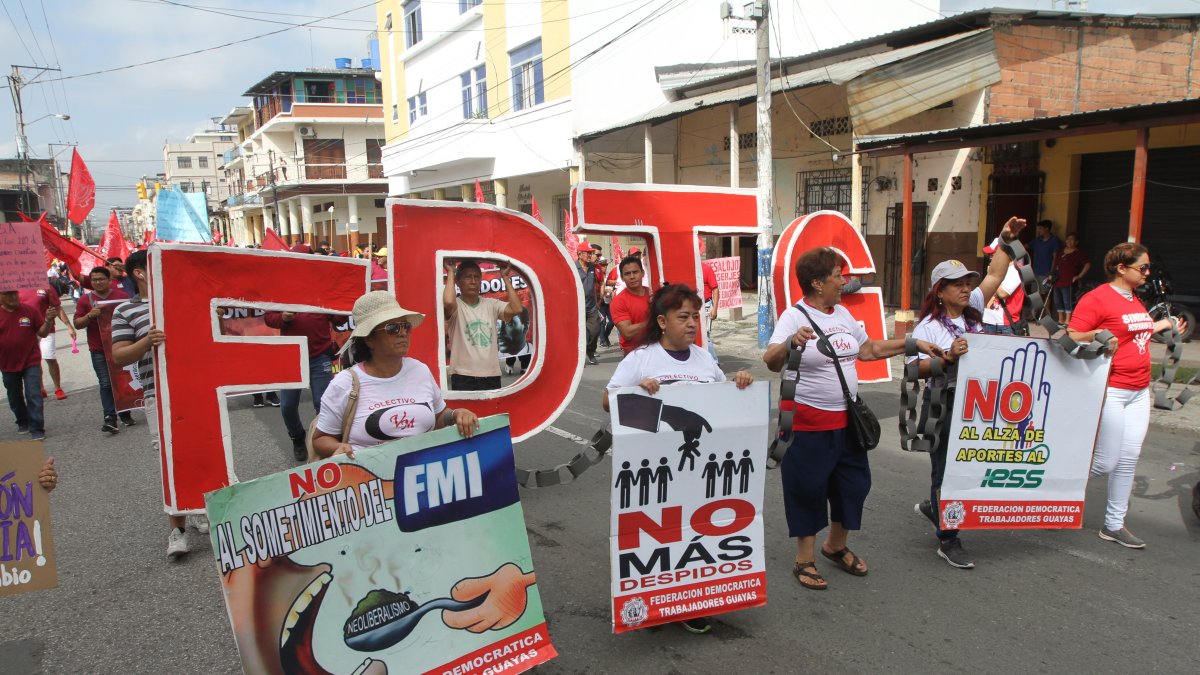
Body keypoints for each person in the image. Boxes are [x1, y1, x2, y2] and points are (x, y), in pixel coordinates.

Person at [764, 248, 941, 590]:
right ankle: (805, 559)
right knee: (807, 488)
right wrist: (789, 343)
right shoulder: (793, 316)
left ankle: (835, 544)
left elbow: (869, 350)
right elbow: (771, 360)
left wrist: (913, 342)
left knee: (854, 485)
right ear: (817, 283)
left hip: (847, 422)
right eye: (837, 275)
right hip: (808, 424)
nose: (843, 281)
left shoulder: (842, 313)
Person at [604, 283, 753, 634]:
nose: (691, 324)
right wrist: (637, 391)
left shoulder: (704, 358)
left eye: (695, 316)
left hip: (699, 472)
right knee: (654, 534)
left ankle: (689, 602)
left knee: (694, 535)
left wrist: (740, 383)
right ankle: (653, 602)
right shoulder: (641, 359)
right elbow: (608, 401)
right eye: (683, 316)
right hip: (654, 473)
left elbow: (722, 402)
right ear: (662, 320)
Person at [908, 217, 1028, 570]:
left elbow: (995, 275)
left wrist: (1005, 240)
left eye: (966, 283)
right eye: (956, 285)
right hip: (943, 404)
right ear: (940, 291)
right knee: (944, 472)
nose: (965, 289)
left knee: (968, 467)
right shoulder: (927, 327)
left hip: (977, 405)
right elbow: (915, 369)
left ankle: (936, 507)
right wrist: (946, 358)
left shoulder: (973, 307)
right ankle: (948, 538)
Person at [1068, 243, 1183, 549]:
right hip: (1113, 390)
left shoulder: (1135, 299)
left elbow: (1135, 332)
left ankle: (1114, 525)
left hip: (1139, 391)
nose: (1148, 273)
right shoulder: (1097, 298)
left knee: (1128, 461)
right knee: (1106, 461)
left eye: (1148, 268)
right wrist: (1099, 336)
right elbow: (1073, 335)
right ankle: (1053, 494)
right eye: (1142, 268)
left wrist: (1164, 324)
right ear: (1121, 268)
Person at [111, 249, 207, 558]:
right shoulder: (126, 310)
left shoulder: (185, 299)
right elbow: (120, 355)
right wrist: (146, 341)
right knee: (170, 460)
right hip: (158, 394)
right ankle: (177, 530)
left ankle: (198, 508)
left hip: (195, 390)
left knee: (200, 452)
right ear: (139, 272)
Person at [312, 291, 478, 458]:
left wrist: (456, 415)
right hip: (371, 481)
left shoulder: (420, 370)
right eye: (392, 328)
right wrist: (337, 448)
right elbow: (320, 439)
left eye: (405, 326)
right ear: (369, 339)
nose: (402, 333)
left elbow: (439, 416)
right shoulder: (344, 384)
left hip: (423, 477)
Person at [263, 309, 341, 460]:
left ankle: (325, 441)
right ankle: (297, 437)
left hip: (320, 355)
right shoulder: (283, 289)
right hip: (292, 356)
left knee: (323, 403)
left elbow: (339, 319)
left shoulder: (322, 289)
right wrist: (283, 317)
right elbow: (268, 318)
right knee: (287, 406)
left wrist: (342, 308)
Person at [442, 260, 523, 391]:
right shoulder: (456, 305)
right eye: (468, 277)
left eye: (476, 277)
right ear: (458, 281)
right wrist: (451, 272)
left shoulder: (491, 304)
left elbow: (516, 308)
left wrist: (505, 277)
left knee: (491, 412)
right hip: (463, 376)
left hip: (491, 376)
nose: (473, 281)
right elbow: (448, 302)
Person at [73, 266, 133, 434]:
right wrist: (90, 316)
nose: (98, 282)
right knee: (106, 383)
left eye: (101, 279)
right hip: (98, 349)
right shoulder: (85, 300)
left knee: (122, 380)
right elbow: (77, 324)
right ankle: (110, 417)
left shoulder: (122, 297)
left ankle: (125, 412)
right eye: (94, 280)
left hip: (120, 345)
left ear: (109, 280)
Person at [1, 289, 56, 440]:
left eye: (14, 293)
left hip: (30, 360)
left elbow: (43, 333)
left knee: (33, 393)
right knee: (14, 395)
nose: (13, 297)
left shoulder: (29, 310)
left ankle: (37, 427)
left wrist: (48, 320)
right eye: (8, 294)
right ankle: (22, 419)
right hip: (7, 363)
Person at [19, 284, 75, 400]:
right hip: (27, 330)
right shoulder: (17, 287)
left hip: (46, 327)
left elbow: (57, 307)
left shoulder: (46, 286)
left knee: (49, 357)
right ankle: (40, 388)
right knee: (34, 361)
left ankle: (57, 388)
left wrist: (69, 326)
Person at [609, 255, 652, 354]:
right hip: (634, 352)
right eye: (627, 274)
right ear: (622, 277)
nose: (632, 277)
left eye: (635, 272)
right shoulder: (618, 301)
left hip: (657, 349)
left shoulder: (654, 294)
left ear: (643, 273)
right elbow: (627, 332)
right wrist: (653, 322)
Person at [980, 244, 1024, 335]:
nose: (991, 259)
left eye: (993, 255)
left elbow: (1002, 293)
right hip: (988, 320)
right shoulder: (994, 271)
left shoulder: (1016, 269)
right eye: (990, 256)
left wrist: (992, 277)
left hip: (1004, 324)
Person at [1052, 233, 1091, 324]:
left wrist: (1079, 276)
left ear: (1076, 242)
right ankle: (1060, 319)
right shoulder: (1061, 252)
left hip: (1069, 281)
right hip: (1057, 280)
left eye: (1072, 239)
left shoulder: (1078, 253)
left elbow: (1088, 264)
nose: (1069, 241)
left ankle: (1067, 320)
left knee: (1067, 301)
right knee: (1057, 300)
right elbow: (1056, 265)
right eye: (1068, 239)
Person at [575, 243, 601, 365]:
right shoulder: (573, 267)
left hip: (591, 307)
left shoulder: (593, 267)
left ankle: (590, 352)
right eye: (588, 253)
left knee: (595, 331)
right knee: (579, 334)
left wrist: (596, 302)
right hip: (577, 307)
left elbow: (594, 286)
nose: (591, 255)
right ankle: (578, 356)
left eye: (591, 253)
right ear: (580, 254)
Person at [1030, 220, 1062, 310]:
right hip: (1036, 272)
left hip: (1046, 273)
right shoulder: (1037, 240)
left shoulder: (1054, 240)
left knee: (1046, 294)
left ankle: (1046, 314)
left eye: (1040, 229)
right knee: (1036, 294)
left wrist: (1051, 272)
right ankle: (1035, 314)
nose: (1038, 231)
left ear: (1047, 229)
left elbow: (1055, 257)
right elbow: (1026, 246)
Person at [591, 244, 613, 348]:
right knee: (602, 321)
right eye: (603, 265)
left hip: (607, 301)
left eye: (606, 265)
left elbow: (605, 283)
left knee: (612, 321)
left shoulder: (607, 274)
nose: (604, 267)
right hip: (598, 301)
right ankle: (602, 341)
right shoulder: (593, 269)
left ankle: (605, 337)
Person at [701, 260, 720, 362]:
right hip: (692, 306)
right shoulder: (687, 270)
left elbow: (715, 289)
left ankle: (714, 362)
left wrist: (715, 308)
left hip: (706, 305)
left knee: (705, 335)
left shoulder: (706, 269)